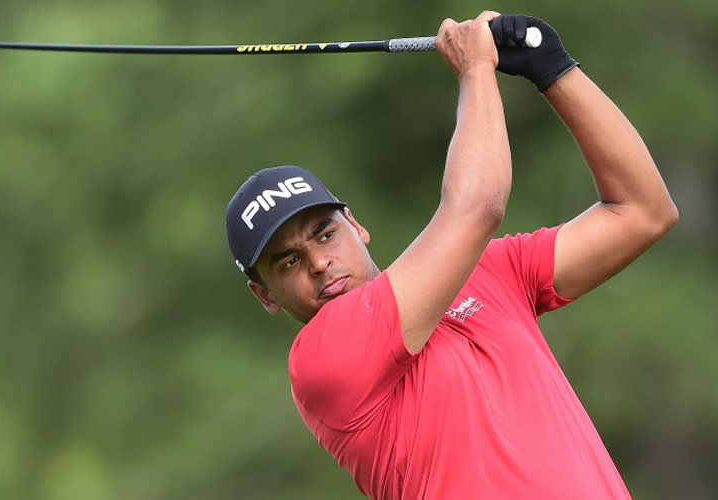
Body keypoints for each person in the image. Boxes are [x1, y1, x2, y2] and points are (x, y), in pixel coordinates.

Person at [224, 11, 677, 500]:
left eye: (325, 233)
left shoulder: (489, 271)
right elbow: (478, 206)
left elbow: (643, 211)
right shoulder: (320, 363)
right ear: (264, 295)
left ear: (356, 226)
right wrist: (476, 69)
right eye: (287, 261)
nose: (317, 263)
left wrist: (554, 68)